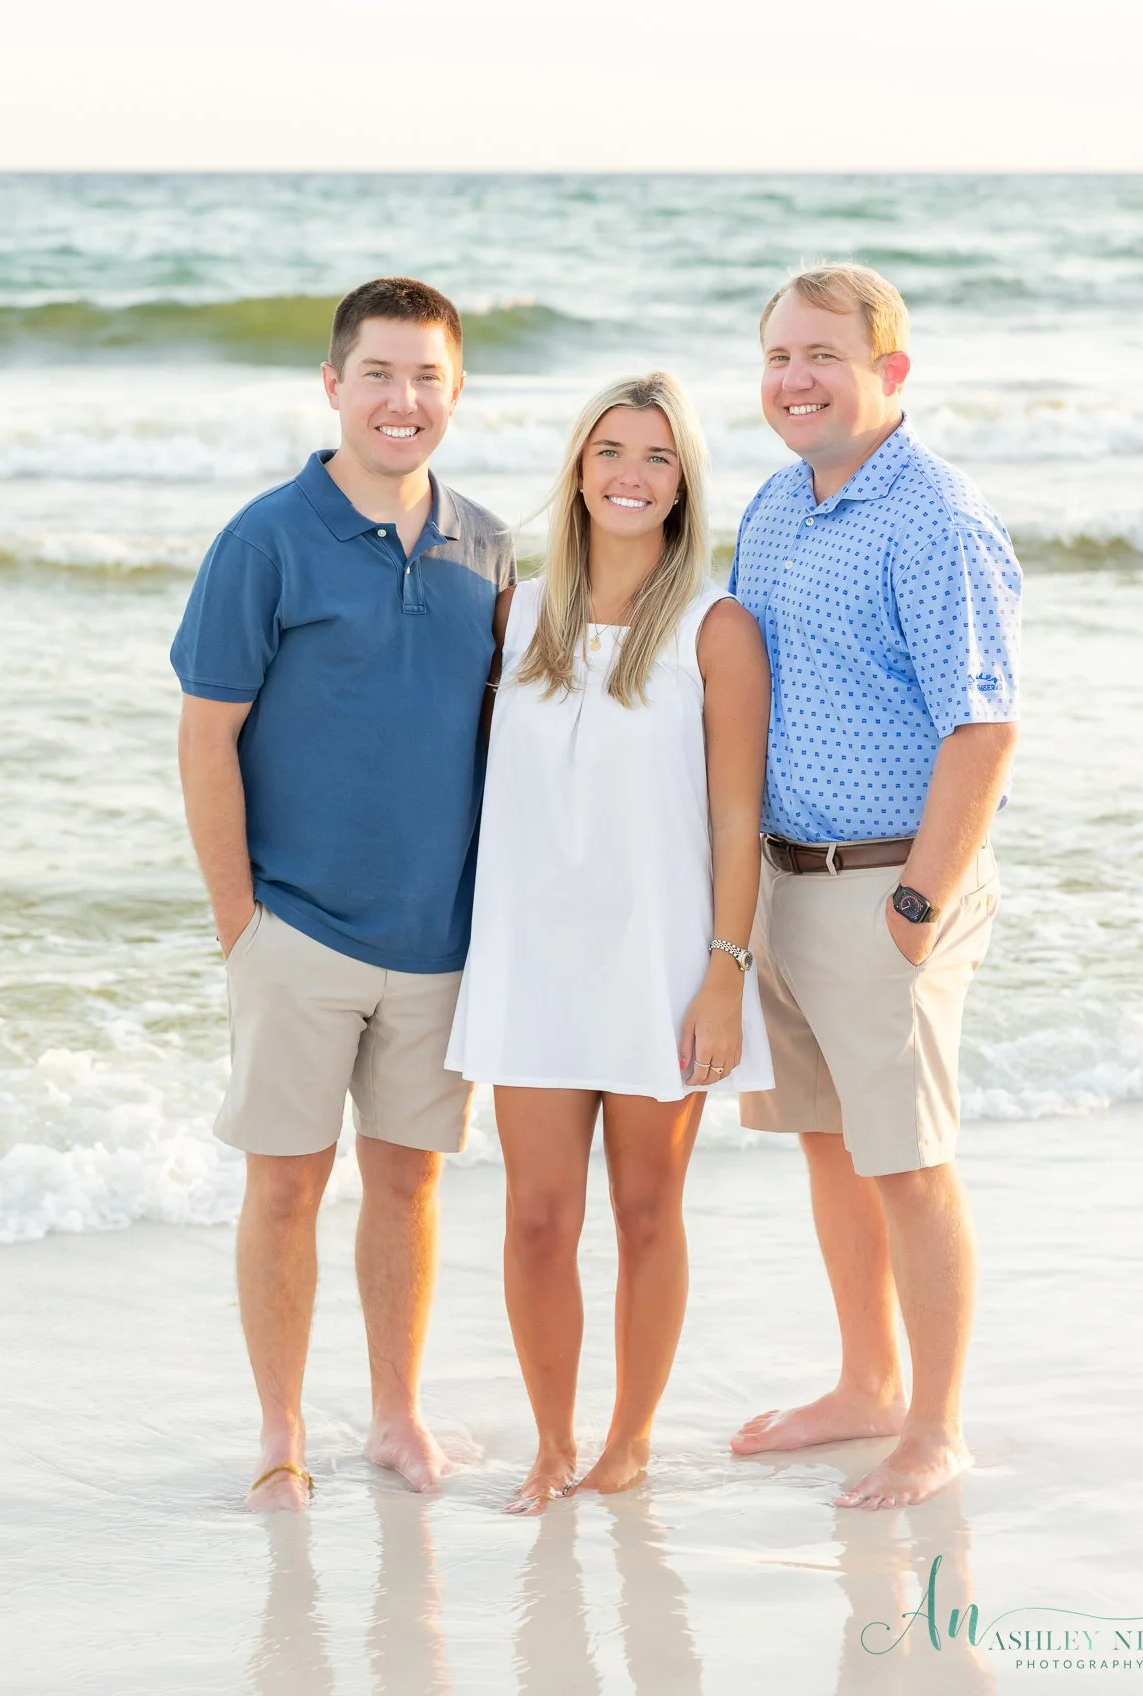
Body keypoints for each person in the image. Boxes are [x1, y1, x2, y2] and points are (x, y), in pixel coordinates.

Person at [171, 276, 514, 1510]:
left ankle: (395, 1414)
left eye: (426, 376)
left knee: (410, 1181)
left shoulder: (489, 544)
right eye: (378, 372)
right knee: (285, 1182)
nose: (401, 399)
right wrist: (240, 926)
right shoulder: (264, 537)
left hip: (439, 937)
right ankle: (278, 1430)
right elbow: (206, 736)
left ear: (455, 392)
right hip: (297, 927)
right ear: (332, 384)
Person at [446, 371, 774, 1512]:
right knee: (536, 1215)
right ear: (577, 470)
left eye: (657, 457)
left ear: (684, 484)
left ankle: (627, 1438)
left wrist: (723, 975)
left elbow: (738, 818)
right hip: (532, 961)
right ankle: (550, 1441)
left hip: (660, 962)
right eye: (610, 452)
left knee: (646, 1210)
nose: (631, 475)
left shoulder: (715, 629)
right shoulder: (514, 612)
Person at [727, 264, 1021, 1509]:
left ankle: (935, 1425)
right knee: (831, 1149)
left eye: (823, 357)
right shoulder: (774, 505)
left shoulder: (934, 517)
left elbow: (982, 726)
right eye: (779, 355)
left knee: (906, 1161)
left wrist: (915, 908)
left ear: (887, 372)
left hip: (890, 887)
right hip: (786, 884)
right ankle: (863, 1383)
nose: (795, 378)